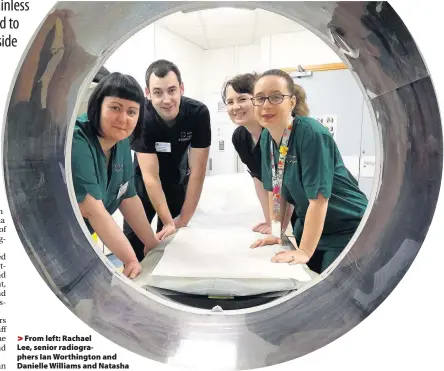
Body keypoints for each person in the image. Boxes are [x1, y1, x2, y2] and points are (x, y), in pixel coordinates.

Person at [250, 69, 368, 273]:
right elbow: (275, 191)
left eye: (276, 97)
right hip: (310, 228)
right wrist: (277, 232)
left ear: (292, 102)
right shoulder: (267, 140)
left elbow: (319, 199)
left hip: (347, 227)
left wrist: (304, 250)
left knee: (333, 290)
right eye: (260, 98)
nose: (266, 105)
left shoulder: (310, 133)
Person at [71, 72, 159, 279]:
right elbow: (92, 210)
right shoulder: (78, 141)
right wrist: (129, 259)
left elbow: (127, 196)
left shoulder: (121, 142)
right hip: (55, 235)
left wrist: (152, 244)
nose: (123, 119)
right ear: (98, 106)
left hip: (85, 234)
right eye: (115, 108)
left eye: (132, 112)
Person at [124, 60, 211, 261]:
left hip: (176, 183)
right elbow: (150, 177)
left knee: (172, 247)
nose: (166, 99)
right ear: (147, 92)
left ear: (181, 88)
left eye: (172, 90)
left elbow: (197, 172)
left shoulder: (198, 114)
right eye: (158, 92)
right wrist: (167, 221)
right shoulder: (142, 116)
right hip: (141, 186)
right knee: (134, 248)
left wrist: (183, 218)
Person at [221, 72, 296, 235]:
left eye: (242, 99)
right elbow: (259, 179)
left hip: (311, 205)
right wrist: (270, 222)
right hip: (286, 208)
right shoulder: (239, 137)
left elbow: (288, 184)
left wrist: (279, 228)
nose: (235, 107)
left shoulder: (278, 132)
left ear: (258, 100)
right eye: (230, 102)